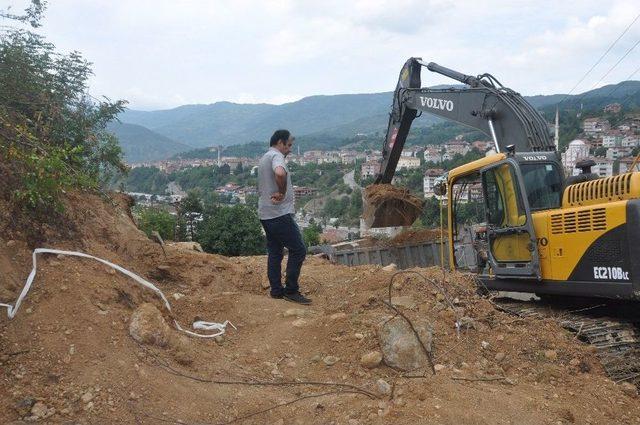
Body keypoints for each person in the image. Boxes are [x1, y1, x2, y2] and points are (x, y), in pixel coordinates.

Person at [257, 129, 311, 304]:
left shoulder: (264, 157)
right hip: (279, 214)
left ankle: (276, 290)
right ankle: (291, 290)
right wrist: (281, 192)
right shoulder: (276, 156)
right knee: (299, 249)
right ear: (280, 143)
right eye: (288, 145)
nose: (289, 149)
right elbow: (280, 173)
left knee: (275, 252)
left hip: (265, 214)